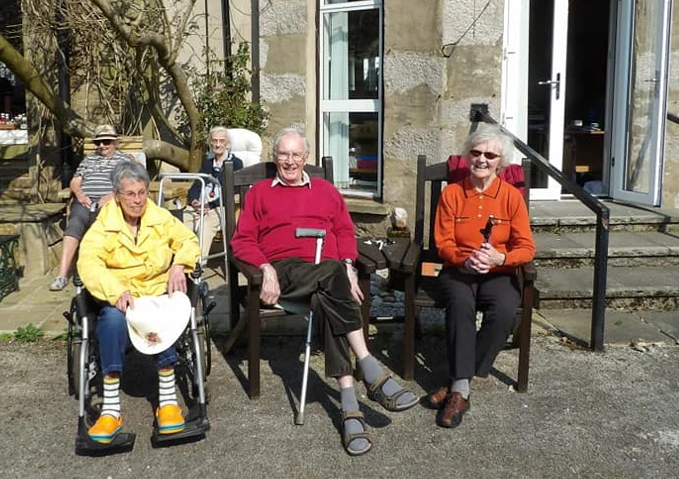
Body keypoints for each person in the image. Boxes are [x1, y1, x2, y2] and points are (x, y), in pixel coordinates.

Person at [230, 127, 419, 456]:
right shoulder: (259, 193)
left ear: (306, 158)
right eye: (283, 155)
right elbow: (241, 241)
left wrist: (347, 262)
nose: (289, 161)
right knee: (333, 277)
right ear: (275, 158)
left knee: (328, 296)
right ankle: (368, 366)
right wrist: (265, 269)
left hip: (325, 279)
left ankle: (349, 408)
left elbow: (345, 230)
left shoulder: (326, 191)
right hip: (286, 271)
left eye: (296, 155)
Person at [76, 160, 200, 443]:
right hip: (121, 297)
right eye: (130, 194)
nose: (137, 199)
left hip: (156, 293)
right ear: (117, 196)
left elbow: (188, 241)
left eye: (142, 192)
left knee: (165, 314)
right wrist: (115, 290)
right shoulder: (103, 225)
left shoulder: (160, 217)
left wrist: (180, 265)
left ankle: (168, 402)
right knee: (110, 320)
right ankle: (110, 409)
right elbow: (90, 262)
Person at [427, 124, 536, 429]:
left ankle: (457, 381)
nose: (482, 159)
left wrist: (502, 257)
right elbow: (443, 243)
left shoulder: (511, 198)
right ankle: (461, 392)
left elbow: (526, 247)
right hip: (460, 269)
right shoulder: (452, 193)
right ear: (467, 157)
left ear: (500, 162)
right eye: (475, 152)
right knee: (460, 303)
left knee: (503, 312)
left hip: (499, 271)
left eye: (490, 154)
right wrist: (465, 259)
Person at [49, 124, 134, 291]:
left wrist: (112, 196)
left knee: (99, 227)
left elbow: (129, 183)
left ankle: (93, 272)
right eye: (98, 143)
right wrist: (80, 195)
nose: (102, 146)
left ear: (114, 142)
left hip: (110, 202)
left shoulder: (123, 160)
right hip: (85, 200)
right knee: (74, 225)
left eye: (106, 141)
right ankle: (62, 275)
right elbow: (75, 182)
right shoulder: (88, 160)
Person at [183, 127, 243, 260]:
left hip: (220, 206)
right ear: (210, 143)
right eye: (214, 141)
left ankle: (197, 268)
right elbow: (196, 185)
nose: (218, 144)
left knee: (205, 225)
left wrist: (210, 205)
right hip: (200, 205)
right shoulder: (207, 163)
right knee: (183, 224)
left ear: (227, 144)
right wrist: (194, 201)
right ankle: (182, 264)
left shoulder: (235, 163)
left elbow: (235, 192)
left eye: (222, 141)